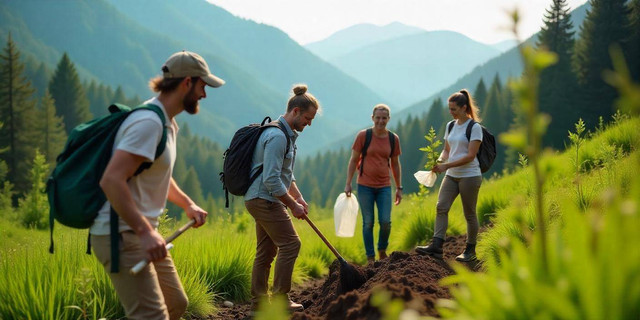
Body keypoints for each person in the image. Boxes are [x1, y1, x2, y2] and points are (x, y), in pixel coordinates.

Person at [90, 50, 225, 320]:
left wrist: (187, 204)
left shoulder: (167, 123)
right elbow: (111, 179)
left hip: (141, 233)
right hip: (121, 235)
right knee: (152, 316)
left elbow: (157, 172)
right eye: (202, 86)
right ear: (187, 82)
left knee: (176, 303)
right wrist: (144, 231)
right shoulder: (149, 123)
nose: (204, 95)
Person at [244, 84, 320, 312]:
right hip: (264, 198)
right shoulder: (277, 136)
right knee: (291, 244)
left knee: (266, 251)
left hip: (264, 198)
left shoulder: (286, 135)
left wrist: (299, 198)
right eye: (308, 118)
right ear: (295, 111)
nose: (309, 123)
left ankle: (258, 304)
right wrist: (292, 205)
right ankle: (280, 300)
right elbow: (271, 179)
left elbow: (286, 175)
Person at [415, 89, 483, 262]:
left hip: (470, 176)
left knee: (469, 214)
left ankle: (470, 250)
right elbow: (447, 149)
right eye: (449, 109)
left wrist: (446, 166)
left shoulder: (474, 128)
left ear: (464, 108)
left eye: (454, 109)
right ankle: (436, 246)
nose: (451, 112)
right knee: (441, 207)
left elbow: (470, 156)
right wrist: (439, 162)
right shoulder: (450, 126)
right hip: (451, 175)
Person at [345, 104, 402, 263]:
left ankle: (382, 249)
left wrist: (399, 187)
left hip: (384, 186)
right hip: (364, 186)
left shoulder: (393, 138)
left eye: (384, 118)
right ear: (372, 118)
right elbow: (353, 160)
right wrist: (348, 183)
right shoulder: (364, 136)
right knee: (368, 222)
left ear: (388, 119)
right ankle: (370, 257)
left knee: (385, 222)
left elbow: (395, 164)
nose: (380, 121)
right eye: (378, 118)